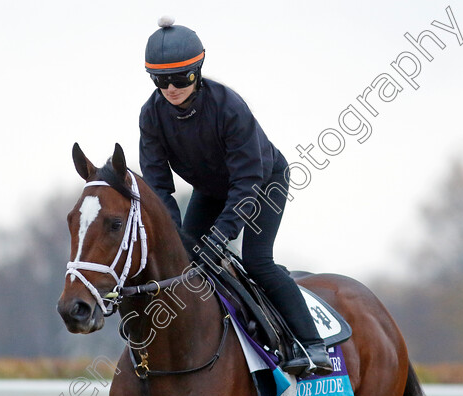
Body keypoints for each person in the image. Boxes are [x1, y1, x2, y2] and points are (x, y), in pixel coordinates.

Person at [138, 17, 333, 376]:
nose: (171, 89)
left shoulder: (229, 107)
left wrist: (222, 234)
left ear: (198, 72)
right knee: (187, 259)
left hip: (263, 180)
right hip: (213, 188)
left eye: (181, 78)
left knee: (257, 260)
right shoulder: (151, 116)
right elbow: (157, 186)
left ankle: (311, 344)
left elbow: (248, 180)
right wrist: (173, 237)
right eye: (160, 81)